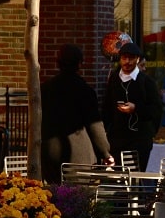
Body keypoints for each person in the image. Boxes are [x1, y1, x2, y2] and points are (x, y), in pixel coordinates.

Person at [40, 44, 113, 183]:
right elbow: (94, 125)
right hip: (79, 155)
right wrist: (105, 152)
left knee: (53, 195)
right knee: (80, 198)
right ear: (80, 64)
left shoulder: (45, 89)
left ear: (58, 63)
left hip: (49, 152)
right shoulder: (85, 90)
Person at [102, 42, 164, 171]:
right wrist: (107, 131)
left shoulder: (146, 82)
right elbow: (107, 107)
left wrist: (136, 108)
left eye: (131, 58)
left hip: (139, 139)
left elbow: (157, 110)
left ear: (138, 59)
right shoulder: (114, 79)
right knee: (117, 177)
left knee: (135, 177)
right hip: (116, 138)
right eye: (124, 58)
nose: (127, 62)